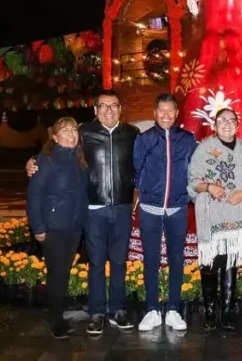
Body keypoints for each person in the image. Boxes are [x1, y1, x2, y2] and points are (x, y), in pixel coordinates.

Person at [26, 90, 139, 334]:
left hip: (122, 207)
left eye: (113, 105)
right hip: (94, 209)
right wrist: (33, 161)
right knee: (96, 262)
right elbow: (56, 147)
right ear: (95, 110)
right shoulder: (84, 132)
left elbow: (143, 162)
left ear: (120, 109)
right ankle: (97, 312)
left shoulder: (132, 133)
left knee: (119, 261)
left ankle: (118, 310)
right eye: (103, 106)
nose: (109, 110)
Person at [187, 108, 242, 330]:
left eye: (232, 120)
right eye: (222, 120)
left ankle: (228, 311)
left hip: (236, 214)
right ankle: (210, 312)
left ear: (238, 125)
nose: (227, 124)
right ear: (215, 125)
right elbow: (192, 181)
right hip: (212, 213)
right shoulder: (204, 149)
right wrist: (209, 187)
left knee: (230, 263)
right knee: (211, 261)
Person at [133, 93, 197, 332]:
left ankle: (173, 310)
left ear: (177, 113)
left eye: (171, 110)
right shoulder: (145, 139)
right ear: (155, 112)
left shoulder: (187, 139)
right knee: (150, 259)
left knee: (176, 259)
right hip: (150, 207)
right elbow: (137, 168)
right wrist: (148, 191)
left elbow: (194, 170)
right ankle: (151, 309)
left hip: (177, 207)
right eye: (162, 110)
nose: (166, 115)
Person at [26, 117, 90, 339]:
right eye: (65, 130)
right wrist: (38, 227)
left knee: (63, 272)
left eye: (74, 130)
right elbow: (34, 195)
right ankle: (54, 319)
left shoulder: (80, 159)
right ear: (54, 136)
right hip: (53, 227)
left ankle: (56, 314)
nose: (71, 134)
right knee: (57, 273)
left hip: (74, 227)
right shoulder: (46, 160)